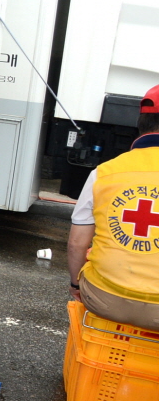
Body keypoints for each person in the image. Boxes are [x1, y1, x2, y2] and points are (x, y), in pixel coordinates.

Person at [67, 85, 159, 329]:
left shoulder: (103, 172)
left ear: (140, 123)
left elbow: (77, 243)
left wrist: (76, 286)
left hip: (103, 299)